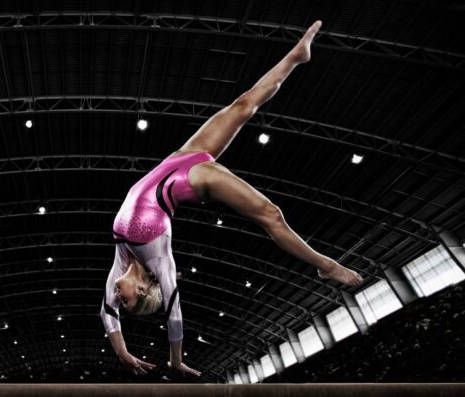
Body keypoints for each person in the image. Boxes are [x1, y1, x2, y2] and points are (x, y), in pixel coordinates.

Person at [100, 20, 364, 377]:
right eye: (128, 301)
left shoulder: (120, 262)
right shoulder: (161, 266)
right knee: (271, 215)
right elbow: (174, 315)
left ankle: (296, 56)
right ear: (146, 290)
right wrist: (175, 360)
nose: (119, 297)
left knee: (244, 105)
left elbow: (106, 314)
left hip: (179, 158)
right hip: (193, 180)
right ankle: (326, 264)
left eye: (121, 301)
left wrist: (123, 353)